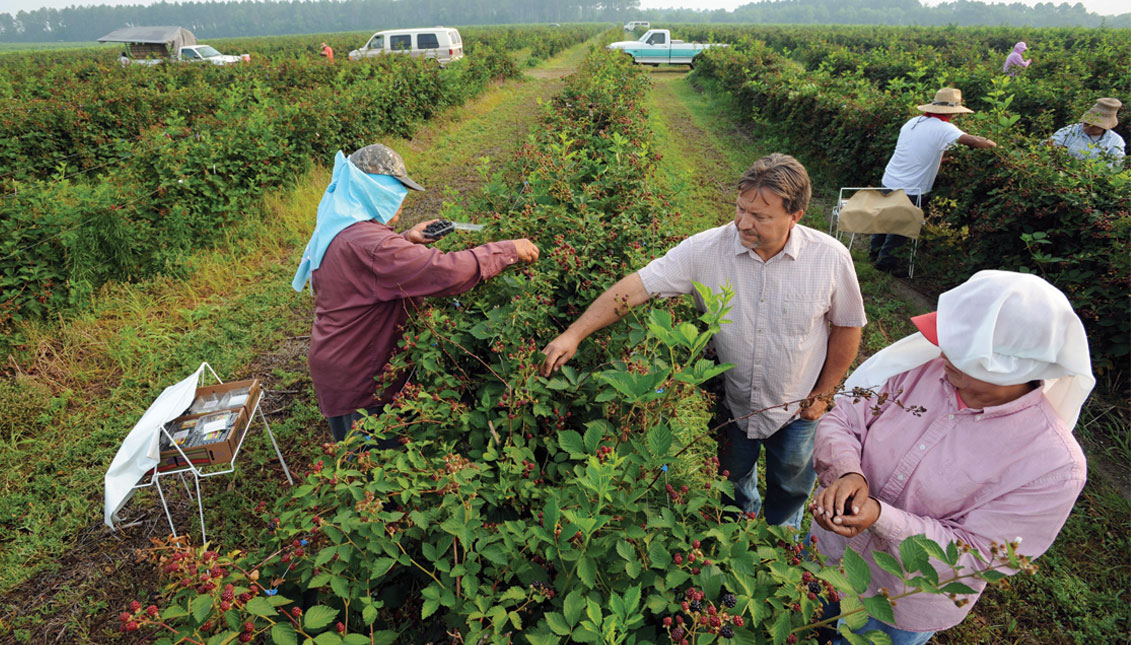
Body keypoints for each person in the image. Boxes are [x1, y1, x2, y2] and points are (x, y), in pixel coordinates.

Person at [541, 153, 866, 528]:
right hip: (735, 404)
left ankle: (780, 537)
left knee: (791, 484)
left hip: (798, 406)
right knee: (732, 478)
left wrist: (823, 394)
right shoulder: (705, 251)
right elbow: (639, 286)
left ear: (796, 215)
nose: (744, 223)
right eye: (741, 209)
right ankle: (741, 524)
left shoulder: (829, 258)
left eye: (760, 217)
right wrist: (574, 333)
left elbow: (847, 326)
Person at [809, 270, 1094, 644]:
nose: (943, 352)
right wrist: (848, 472)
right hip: (825, 560)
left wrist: (881, 517)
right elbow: (845, 417)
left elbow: (979, 554)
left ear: (1013, 367)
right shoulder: (916, 373)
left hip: (894, 605)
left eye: (960, 349)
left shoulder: (1053, 466)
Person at [292, 144, 539, 442]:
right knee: (372, 468)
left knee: (355, 452)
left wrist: (406, 238)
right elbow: (447, 272)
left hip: (339, 361)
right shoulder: (372, 245)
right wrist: (507, 249)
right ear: (376, 192)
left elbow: (368, 264)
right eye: (396, 192)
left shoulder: (341, 225)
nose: (401, 201)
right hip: (361, 378)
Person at [871, 88, 997, 277]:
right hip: (911, 186)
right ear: (951, 111)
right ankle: (885, 263)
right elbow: (976, 142)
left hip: (890, 178)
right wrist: (997, 147)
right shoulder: (945, 128)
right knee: (901, 227)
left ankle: (874, 252)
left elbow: (917, 150)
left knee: (886, 218)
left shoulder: (913, 122)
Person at [1048, 97, 1125, 165]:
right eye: (1086, 123)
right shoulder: (1069, 131)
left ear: (1104, 127)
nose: (1088, 127)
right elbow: (1050, 146)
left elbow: (1115, 164)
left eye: (1093, 126)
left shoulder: (1115, 141)